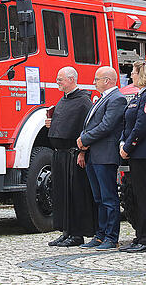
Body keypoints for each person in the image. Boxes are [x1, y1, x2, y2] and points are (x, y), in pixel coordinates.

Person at [76, 66, 127, 251]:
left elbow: (107, 125)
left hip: (105, 155)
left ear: (107, 80)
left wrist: (85, 139)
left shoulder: (117, 99)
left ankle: (111, 237)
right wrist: (83, 141)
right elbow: (90, 123)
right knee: (98, 198)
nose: (94, 82)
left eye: (96, 79)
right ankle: (100, 234)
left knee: (108, 197)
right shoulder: (101, 99)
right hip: (94, 154)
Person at [46, 66, 95, 247]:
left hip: (73, 154)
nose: (58, 82)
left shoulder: (83, 102)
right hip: (59, 155)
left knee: (75, 195)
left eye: (61, 79)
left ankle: (77, 233)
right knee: (61, 194)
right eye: (58, 79)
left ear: (72, 79)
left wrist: (83, 151)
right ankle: (66, 231)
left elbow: (87, 128)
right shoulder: (62, 100)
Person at [118, 60, 146, 253]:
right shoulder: (139, 96)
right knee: (136, 196)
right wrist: (122, 142)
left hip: (143, 153)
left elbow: (142, 126)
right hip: (135, 153)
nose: (131, 76)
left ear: (142, 74)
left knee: (144, 197)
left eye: (134, 72)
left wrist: (128, 147)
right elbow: (127, 123)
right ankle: (139, 237)